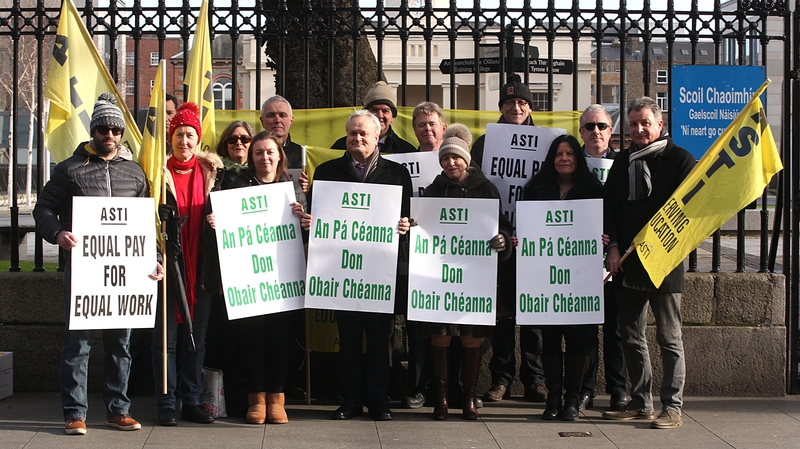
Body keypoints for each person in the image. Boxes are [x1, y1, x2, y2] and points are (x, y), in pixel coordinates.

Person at [33, 92, 161, 435]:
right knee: (78, 343)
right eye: (103, 128)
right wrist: (58, 233)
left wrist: (156, 259)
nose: (110, 135)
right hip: (84, 272)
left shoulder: (135, 174)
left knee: (121, 344)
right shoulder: (69, 170)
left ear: (122, 134)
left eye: (116, 130)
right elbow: (43, 208)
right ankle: (75, 412)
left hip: (126, 275)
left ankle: (119, 409)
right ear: (93, 131)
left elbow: (147, 225)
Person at [299, 110, 412, 421]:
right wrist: (310, 223)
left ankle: (379, 400)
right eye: (352, 134)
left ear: (378, 137)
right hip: (342, 272)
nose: (357, 138)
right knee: (347, 339)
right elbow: (318, 221)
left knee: (380, 339)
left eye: (364, 133)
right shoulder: (326, 172)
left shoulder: (397, 174)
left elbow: (408, 218)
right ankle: (350, 400)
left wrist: (406, 225)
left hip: (380, 272)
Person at [603, 97, 695, 429]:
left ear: (659, 125)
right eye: (633, 124)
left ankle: (672, 406)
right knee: (631, 336)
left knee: (669, 338)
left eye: (645, 122)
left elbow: (690, 212)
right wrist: (612, 247)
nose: (639, 129)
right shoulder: (622, 160)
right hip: (627, 262)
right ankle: (641, 402)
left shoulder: (680, 160)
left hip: (665, 263)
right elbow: (609, 207)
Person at [412, 124, 513, 421]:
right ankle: (441, 400)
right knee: (440, 338)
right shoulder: (434, 189)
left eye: (456, 158)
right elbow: (422, 225)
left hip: (475, 278)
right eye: (445, 159)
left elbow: (502, 227)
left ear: (466, 160)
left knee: (472, 339)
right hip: (440, 278)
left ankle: (469, 399)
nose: (450, 163)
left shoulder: (487, 189)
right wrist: (414, 230)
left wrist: (503, 240)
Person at [206, 132, 306, 424]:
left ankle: (277, 398)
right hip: (250, 280)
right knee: (252, 338)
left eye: (270, 152)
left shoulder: (292, 189)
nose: (265, 158)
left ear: (279, 156)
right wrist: (217, 223)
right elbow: (228, 232)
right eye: (259, 153)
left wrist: (305, 220)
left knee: (279, 339)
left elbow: (306, 231)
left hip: (282, 278)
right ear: (252, 158)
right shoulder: (237, 187)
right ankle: (256, 399)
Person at [474, 74, 547, 404]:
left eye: (521, 102)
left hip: (534, 239)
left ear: (530, 106)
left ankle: (535, 378)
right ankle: (501, 378)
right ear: (501, 107)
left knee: (533, 313)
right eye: (508, 102)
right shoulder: (485, 143)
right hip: (499, 240)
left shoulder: (547, 142)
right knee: (502, 314)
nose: (515, 107)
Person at [152, 102, 225, 426]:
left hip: (202, 268)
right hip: (169, 268)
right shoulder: (157, 175)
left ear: (197, 139)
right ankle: (166, 401)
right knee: (166, 339)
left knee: (198, 337)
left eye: (190, 134)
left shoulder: (212, 176)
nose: (184, 141)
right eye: (179, 134)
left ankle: (191, 398)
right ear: (171, 138)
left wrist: (218, 219)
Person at [522, 134, 604, 421]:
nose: (564, 158)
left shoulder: (594, 191)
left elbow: (607, 227)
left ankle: (572, 399)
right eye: (559, 153)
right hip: (546, 278)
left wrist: (604, 239)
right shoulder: (535, 190)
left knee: (579, 338)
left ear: (577, 158)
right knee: (551, 339)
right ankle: (553, 398)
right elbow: (526, 229)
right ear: (551, 159)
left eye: (570, 153)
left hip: (581, 277)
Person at [576, 104, 628, 412]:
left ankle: (618, 388)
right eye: (589, 126)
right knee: (585, 328)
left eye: (602, 126)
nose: (596, 131)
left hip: (615, 258)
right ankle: (586, 388)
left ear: (611, 131)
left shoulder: (623, 164)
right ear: (580, 132)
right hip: (579, 259)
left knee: (616, 329)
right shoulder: (572, 164)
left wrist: (615, 244)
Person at [331, 81, 416, 154]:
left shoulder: (407, 151)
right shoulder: (341, 146)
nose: (379, 115)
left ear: (392, 117)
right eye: (374, 110)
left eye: (385, 111)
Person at [260, 95, 304, 169]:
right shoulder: (251, 153)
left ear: (291, 121)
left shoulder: (303, 155)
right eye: (271, 115)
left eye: (282, 115)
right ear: (262, 121)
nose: (277, 120)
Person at [215, 120, 254, 188]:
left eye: (245, 139)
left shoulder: (260, 170)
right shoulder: (214, 172)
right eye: (232, 139)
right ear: (225, 145)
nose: (239, 143)